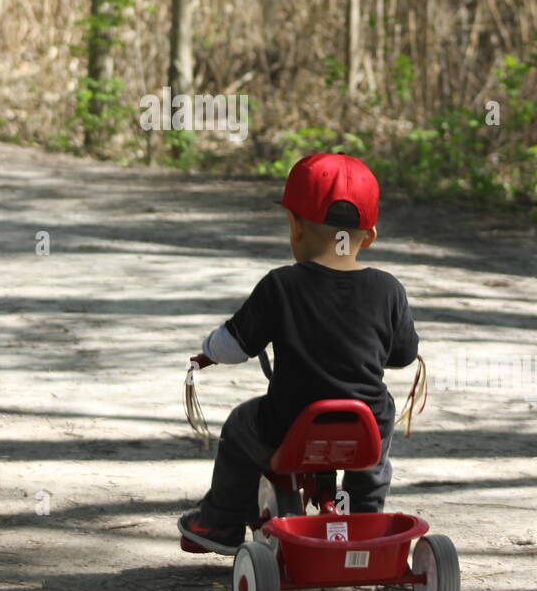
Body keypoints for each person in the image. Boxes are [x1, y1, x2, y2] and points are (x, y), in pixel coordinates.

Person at [177, 152, 419, 554]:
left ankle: (220, 522)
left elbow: (233, 346)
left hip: (289, 422)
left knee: (240, 427)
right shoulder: (388, 289)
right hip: (363, 429)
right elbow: (403, 355)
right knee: (383, 414)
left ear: (294, 227)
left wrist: (208, 351)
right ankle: (366, 518)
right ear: (370, 235)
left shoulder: (280, 286)